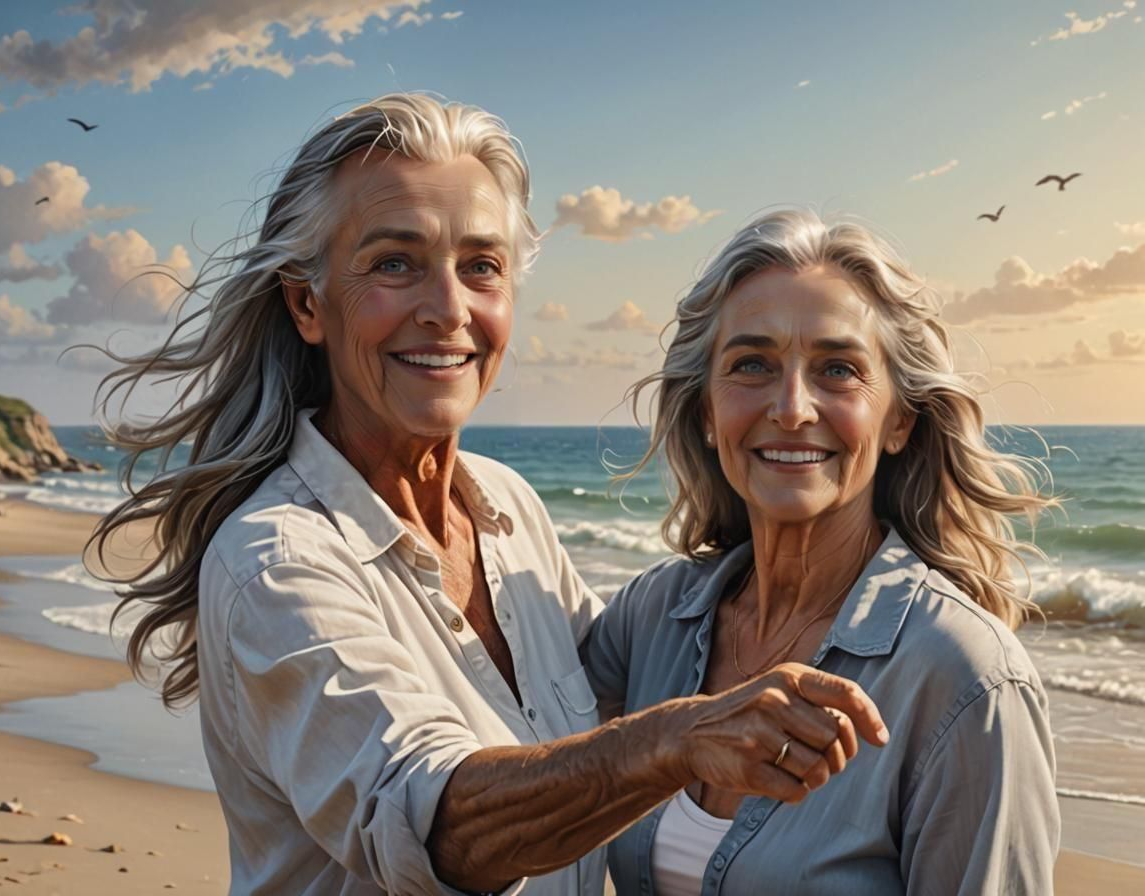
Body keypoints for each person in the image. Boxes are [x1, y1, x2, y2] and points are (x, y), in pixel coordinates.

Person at [88, 96, 890, 895]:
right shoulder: (277, 562)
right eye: (395, 264)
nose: (447, 311)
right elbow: (429, 823)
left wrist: (859, 599)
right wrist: (676, 741)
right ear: (308, 304)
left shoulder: (506, 508)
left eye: (481, 267)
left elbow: (628, 678)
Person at [581, 208, 1060, 894]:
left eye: (838, 369)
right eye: (752, 364)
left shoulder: (964, 677)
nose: (793, 408)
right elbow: (528, 796)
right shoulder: (648, 620)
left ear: (898, 419)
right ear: (706, 413)